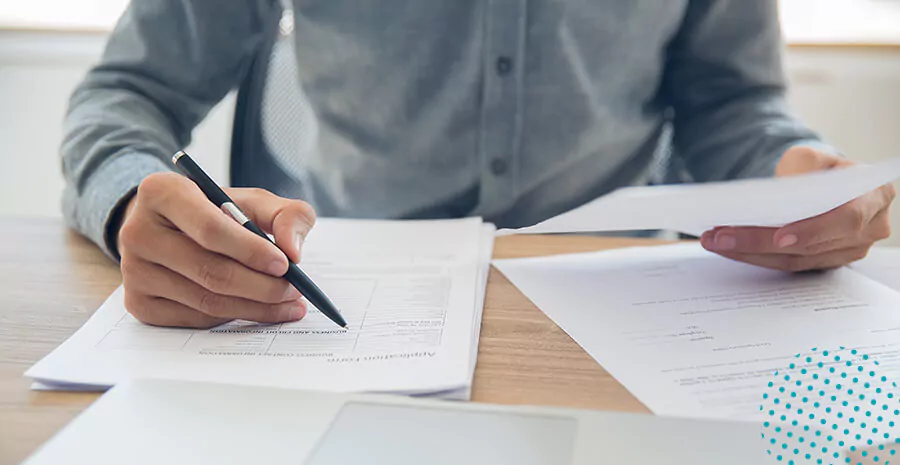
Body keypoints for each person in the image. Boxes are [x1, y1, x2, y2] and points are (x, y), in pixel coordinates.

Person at [62, 0, 895, 329]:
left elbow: (730, 102)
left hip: (624, 306)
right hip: (348, 302)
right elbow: (126, 94)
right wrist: (133, 198)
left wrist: (794, 174)